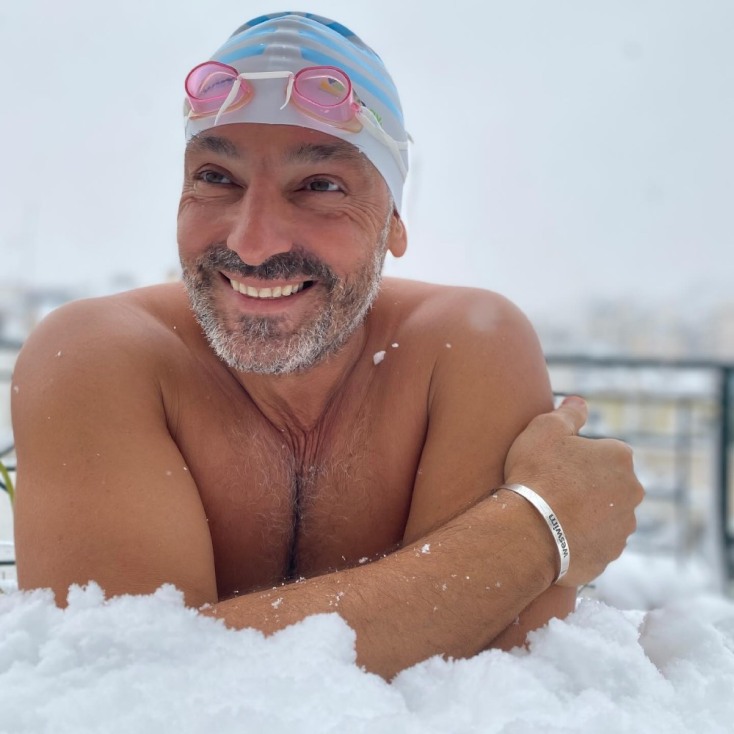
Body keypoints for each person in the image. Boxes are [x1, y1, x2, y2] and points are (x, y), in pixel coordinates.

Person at [11, 12, 642, 679]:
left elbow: (493, 682)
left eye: (320, 187)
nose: (254, 242)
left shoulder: (467, 347)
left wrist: (482, 579)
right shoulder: (94, 357)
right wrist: (533, 533)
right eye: (217, 177)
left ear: (394, 222)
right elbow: (121, 682)